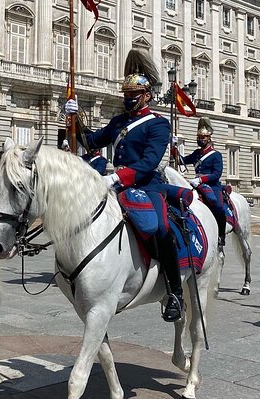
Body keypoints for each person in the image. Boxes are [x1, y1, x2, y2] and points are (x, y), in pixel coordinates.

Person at [64, 48, 184, 322]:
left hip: (146, 184)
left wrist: (117, 177)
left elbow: (149, 162)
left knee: (161, 228)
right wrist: (74, 117)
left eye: (134, 96)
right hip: (116, 185)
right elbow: (92, 141)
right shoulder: (119, 121)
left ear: (147, 96)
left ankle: (174, 291)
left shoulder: (158, 125)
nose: (129, 100)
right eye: (126, 96)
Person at [172, 117, 226, 246]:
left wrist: (201, 179)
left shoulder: (215, 155)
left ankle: (221, 235)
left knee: (217, 206)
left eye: (203, 138)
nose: (200, 140)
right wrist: (174, 148)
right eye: (199, 137)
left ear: (209, 139)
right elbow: (181, 161)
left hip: (212, 186)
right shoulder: (197, 153)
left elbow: (216, 174)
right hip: (196, 185)